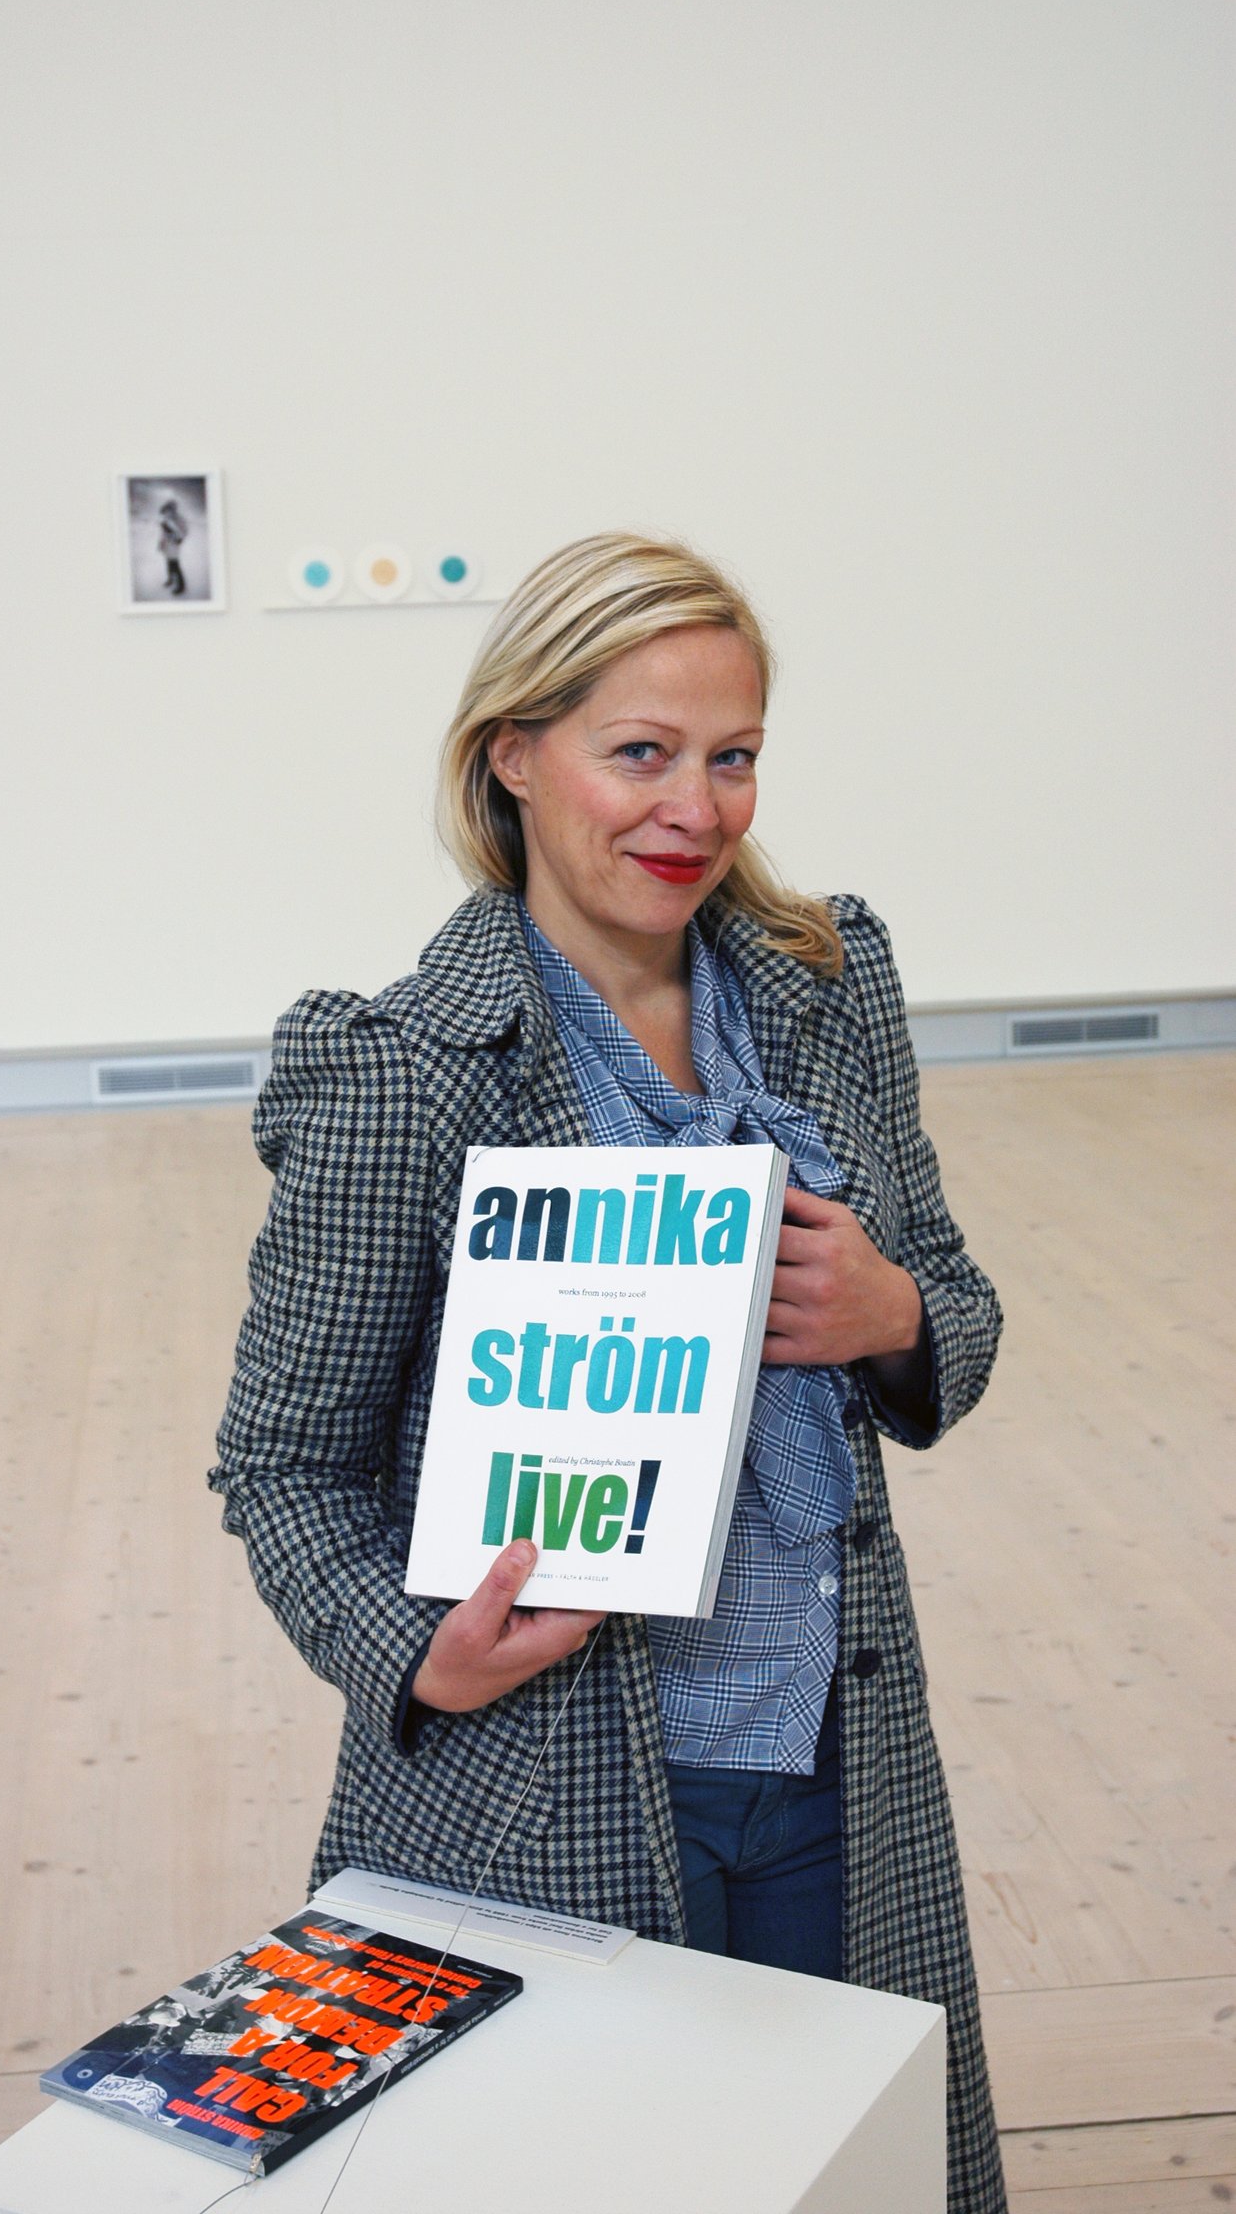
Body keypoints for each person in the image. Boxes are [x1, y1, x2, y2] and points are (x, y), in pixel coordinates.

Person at [213, 533, 1007, 2212]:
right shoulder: (401, 1071)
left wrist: (895, 1315)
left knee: (843, 2180)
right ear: (513, 753)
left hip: (835, 1761)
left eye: (733, 758)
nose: (694, 812)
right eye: (640, 753)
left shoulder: (823, 992)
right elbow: (281, 1467)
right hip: (543, 1786)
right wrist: (420, 1656)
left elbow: (952, 1295)